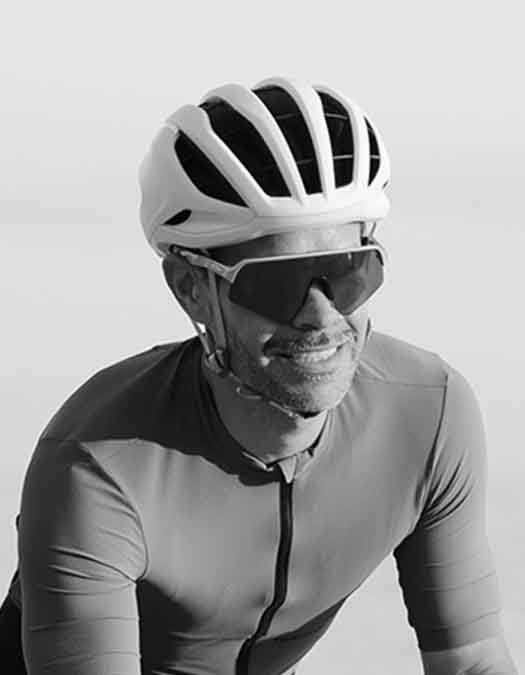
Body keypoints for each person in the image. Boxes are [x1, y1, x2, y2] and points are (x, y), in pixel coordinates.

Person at [0, 77, 517, 675]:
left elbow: (471, 660)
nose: (320, 316)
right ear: (191, 289)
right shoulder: (98, 465)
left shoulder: (430, 414)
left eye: (348, 271)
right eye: (277, 283)